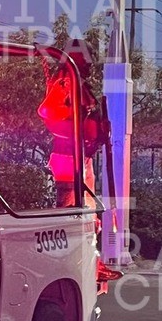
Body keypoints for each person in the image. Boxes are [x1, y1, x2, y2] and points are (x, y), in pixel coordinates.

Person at [37, 41, 107, 207]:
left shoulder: (76, 81)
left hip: (81, 154)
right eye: (87, 57)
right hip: (68, 155)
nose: (91, 63)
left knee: (86, 209)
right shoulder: (66, 80)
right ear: (78, 57)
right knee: (71, 209)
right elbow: (46, 111)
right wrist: (75, 126)